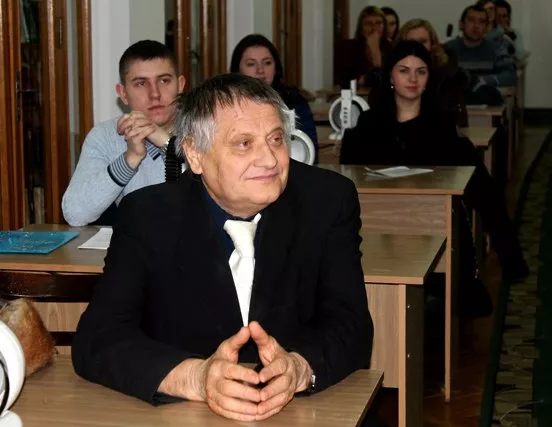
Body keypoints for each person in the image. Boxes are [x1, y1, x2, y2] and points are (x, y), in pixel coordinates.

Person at [72, 74, 374, 421]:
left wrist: (300, 368)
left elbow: (350, 323)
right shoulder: (147, 215)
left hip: (301, 414)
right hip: (185, 416)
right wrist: (194, 377)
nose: (270, 160)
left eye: (276, 139)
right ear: (195, 155)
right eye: (244, 144)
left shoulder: (327, 201)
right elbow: (99, 337)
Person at [340, 40, 528, 301]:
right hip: (378, 229)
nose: (413, 79)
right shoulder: (369, 124)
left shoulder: (442, 126)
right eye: (404, 70)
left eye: (421, 71)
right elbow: (348, 182)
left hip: (431, 229)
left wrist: (511, 258)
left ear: (429, 78)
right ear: (391, 76)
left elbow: (486, 195)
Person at [61, 40, 185, 226]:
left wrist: (168, 144)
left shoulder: (207, 128)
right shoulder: (107, 136)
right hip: (138, 243)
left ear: (180, 85)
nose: (155, 94)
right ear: (123, 93)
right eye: (141, 83)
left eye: (164, 81)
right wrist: (130, 159)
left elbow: (218, 203)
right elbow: (75, 214)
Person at [229, 34, 318, 163]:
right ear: (238, 69)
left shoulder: (294, 100)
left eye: (267, 63)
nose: (260, 70)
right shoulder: (227, 105)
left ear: (276, 67)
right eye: (251, 64)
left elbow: (312, 151)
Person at [393, 18, 469, 126]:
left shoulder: (448, 78)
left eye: (422, 42)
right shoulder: (391, 75)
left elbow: (457, 120)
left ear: (432, 45)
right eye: (411, 42)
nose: (418, 46)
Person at [445, 4, 517, 87]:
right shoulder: (447, 49)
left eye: (481, 22)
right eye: (471, 20)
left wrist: (480, 81)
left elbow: (510, 76)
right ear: (461, 24)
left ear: (486, 27)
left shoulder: (497, 48)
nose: (476, 26)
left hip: (486, 94)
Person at [334, 6, 392, 88]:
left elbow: (387, 79)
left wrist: (375, 52)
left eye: (378, 23)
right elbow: (343, 79)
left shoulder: (390, 48)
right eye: (368, 24)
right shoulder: (347, 48)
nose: (374, 28)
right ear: (361, 29)